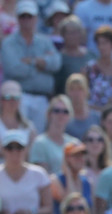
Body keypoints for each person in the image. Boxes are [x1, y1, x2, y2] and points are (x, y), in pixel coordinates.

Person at [0, 0, 61, 133]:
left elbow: (56, 63)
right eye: (23, 16)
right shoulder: (9, 43)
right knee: (18, 137)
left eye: (30, 16)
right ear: (17, 18)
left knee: (37, 137)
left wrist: (31, 61)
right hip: (20, 98)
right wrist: (42, 64)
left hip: (42, 97)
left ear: (36, 18)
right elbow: (14, 69)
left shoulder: (44, 41)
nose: (26, 20)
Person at [0, 129, 52, 214]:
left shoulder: (39, 174)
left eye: (19, 148)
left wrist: (30, 213)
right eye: (10, 147)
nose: (14, 152)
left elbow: (48, 209)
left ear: (26, 149)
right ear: (3, 149)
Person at [29, 95, 77, 175]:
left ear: (70, 116)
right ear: (49, 114)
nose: (61, 114)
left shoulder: (74, 143)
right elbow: (42, 177)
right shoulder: (40, 143)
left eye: (65, 111)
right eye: (57, 110)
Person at [83, 25, 112, 113]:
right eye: (99, 43)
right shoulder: (89, 68)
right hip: (93, 115)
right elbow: (82, 98)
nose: (102, 47)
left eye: (105, 43)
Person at [51, 141, 93, 214]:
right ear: (67, 158)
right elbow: (70, 202)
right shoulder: (56, 180)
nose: (81, 159)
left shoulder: (87, 182)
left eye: (82, 155)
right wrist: (68, 174)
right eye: (76, 155)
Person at [0, 81, 37, 165]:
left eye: (16, 98)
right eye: (8, 97)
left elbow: (33, 151)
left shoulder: (28, 126)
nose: (12, 101)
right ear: (1, 100)